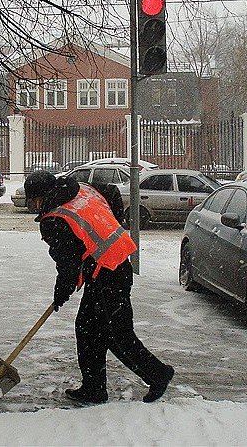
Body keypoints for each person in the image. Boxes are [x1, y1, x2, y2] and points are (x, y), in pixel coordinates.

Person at [24, 170, 174, 404]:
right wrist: (112, 224)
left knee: (116, 334)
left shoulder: (55, 219)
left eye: (33, 200)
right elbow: (111, 191)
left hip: (108, 276)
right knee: (88, 330)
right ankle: (94, 388)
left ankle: (157, 374)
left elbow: (68, 265)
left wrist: (61, 292)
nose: (33, 205)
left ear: (42, 196)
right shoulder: (81, 189)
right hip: (114, 267)